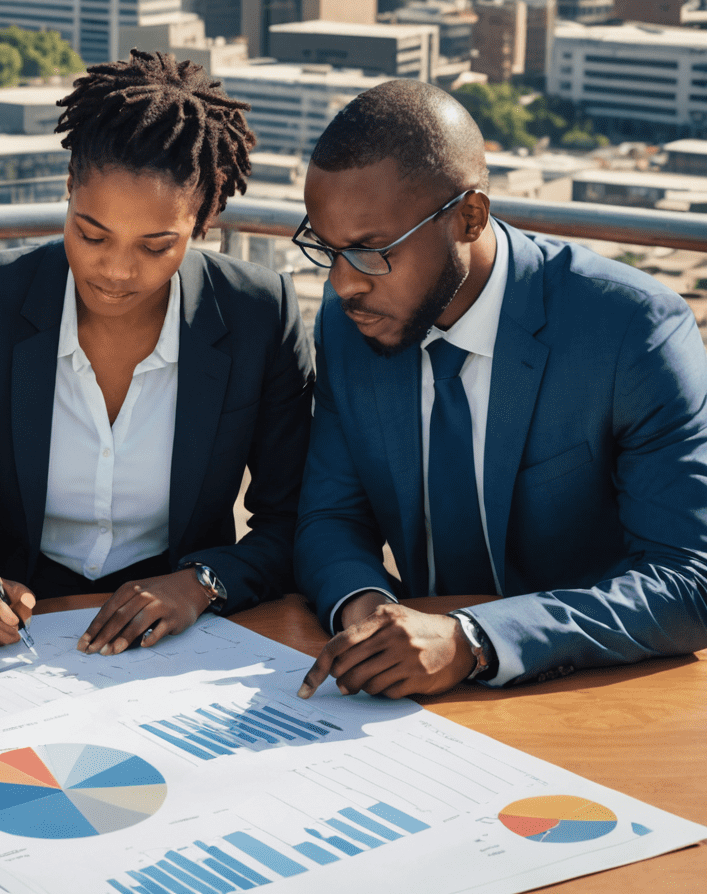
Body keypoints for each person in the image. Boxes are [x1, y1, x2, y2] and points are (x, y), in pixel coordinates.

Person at [292, 80, 707, 701]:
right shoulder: (352, 322)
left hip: (589, 697)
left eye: (372, 251)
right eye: (327, 250)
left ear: (469, 217)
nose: (344, 284)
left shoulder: (631, 332)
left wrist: (473, 640)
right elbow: (330, 516)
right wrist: (369, 612)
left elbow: (689, 580)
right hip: (408, 702)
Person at [0, 51, 314, 654]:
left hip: (187, 628)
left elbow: (292, 520)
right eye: (91, 234)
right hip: (24, 625)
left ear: (203, 219)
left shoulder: (259, 314)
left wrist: (202, 585)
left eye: (156, 247)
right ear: (69, 188)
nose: (117, 271)